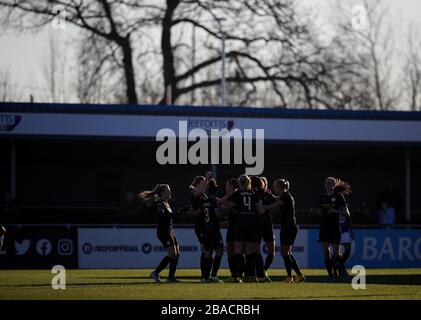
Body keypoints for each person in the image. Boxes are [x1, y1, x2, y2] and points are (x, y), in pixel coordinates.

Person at [261, 179, 305, 283]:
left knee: (284, 253)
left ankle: (295, 276)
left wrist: (265, 207)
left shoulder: (285, 196)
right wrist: (269, 195)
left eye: (275, 186)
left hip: (288, 227)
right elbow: (277, 199)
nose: (274, 188)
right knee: (287, 253)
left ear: (281, 187)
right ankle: (294, 276)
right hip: (288, 227)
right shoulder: (285, 195)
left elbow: (276, 204)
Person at [312, 177, 351, 282]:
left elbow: (346, 214)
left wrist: (335, 211)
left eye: (331, 183)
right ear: (324, 185)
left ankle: (339, 270)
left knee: (336, 254)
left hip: (335, 227)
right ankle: (330, 276)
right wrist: (316, 211)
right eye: (327, 183)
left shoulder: (339, 196)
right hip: (324, 227)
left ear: (334, 185)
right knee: (326, 253)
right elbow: (321, 211)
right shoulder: (323, 197)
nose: (328, 185)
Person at [224, 174, 261, 283]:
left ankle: (237, 276)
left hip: (240, 224)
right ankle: (251, 276)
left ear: (240, 183)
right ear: (249, 183)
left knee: (238, 252)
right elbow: (260, 211)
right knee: (250, 252)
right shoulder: (254, 194)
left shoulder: (237, 193)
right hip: (252, 224)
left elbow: (229, 207)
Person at [141, 184, 180, 283]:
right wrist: (176, 213)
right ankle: (156, 272)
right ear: (162, 192)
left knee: (176, 254)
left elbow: (170, 216)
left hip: (170, 230)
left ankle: (170, 278)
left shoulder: (166, 202)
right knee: (172, 254)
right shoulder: (159, 203)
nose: (170, 192)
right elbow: (162, 216)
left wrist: (181, 212)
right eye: (168, 190)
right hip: (163, 231)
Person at [251, 176, 277, 282]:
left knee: (255, 250)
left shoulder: (253, 195)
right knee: (271, 251)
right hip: (265, 224)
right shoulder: (267, 195)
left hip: (257, 224)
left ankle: (261, 272)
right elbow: (278, 201)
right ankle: (262, 272)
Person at [200, 179, 224, 283]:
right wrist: (224, 210)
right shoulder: (215, 202)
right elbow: (218, 214)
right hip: (214, 230)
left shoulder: (205, 202)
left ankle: (205, 277)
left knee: (208, 254)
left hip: (206, 230)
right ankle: (213, 275)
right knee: (219, 252)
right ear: (216, 191)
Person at [189, 172, 212, 280]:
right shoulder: (193, 191)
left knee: (208, 249)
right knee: (205, 249)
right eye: (202, 183)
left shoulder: (203, 195)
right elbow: (197, 210)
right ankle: (204, 276)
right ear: (198, 184)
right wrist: (207, 178)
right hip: (200, 225)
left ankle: (206, 275)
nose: (205, 185)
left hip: (206, 225)